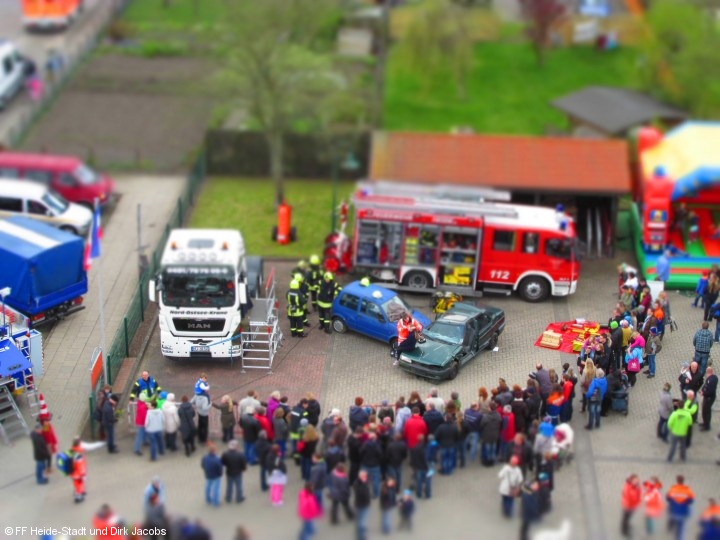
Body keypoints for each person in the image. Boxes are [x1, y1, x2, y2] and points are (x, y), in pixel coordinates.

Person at [68, 437, 105, 503]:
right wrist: (83, 474)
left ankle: (80, 493)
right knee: (79, 485)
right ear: (79, 444)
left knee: (77, 484)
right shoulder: (79, 455)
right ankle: (78, 497)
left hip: (73, 473)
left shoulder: (72, 451)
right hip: (78, 473)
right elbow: (80, 466)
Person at [666, 475, 695, 540]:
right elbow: (691, 500)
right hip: (683, 511)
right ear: (683, 481)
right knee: (681, 527)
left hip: (674, 510)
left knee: (672, 518)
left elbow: (668, 498)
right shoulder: (688, 489)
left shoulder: (673, 489)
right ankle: (679, 538)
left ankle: (670, 527)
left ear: (677, 480)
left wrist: (675, 502)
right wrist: (684, 502)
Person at [221, 439, 247, 504]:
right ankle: (239, 498)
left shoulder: (225, 454)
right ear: (236, 446)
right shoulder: (240, 454)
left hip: (229, 472)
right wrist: (244, 469)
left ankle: (228, 498)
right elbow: (243, 464)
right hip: (238, 472)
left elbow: (223, 463)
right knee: (239, 486)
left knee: (229, 486)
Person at [409, 435, 430, 499]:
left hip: (418, 467)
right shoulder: (425, 448)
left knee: (419, 481)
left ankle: (419, 494)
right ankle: (427, 494)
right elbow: (426, 459)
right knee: (427, 482)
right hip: (425, 467)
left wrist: (413, 465)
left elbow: (412, 458)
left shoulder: (415, 448)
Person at [354, 470, 372, 540]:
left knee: (360, 520)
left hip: (361, 504)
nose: (365, 477)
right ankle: (362, 536)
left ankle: (359, 535)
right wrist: (364, 483)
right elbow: (362, 493)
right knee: (362, 522)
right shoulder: (359, 484)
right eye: (363, 476)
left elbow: (369, 478)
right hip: (362, 504)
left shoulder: (363, 482)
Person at [700, 366, 717, 431]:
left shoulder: (712, 380)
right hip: (707, 397)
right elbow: (705, 385)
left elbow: (710, 391)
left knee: (706, 412)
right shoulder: (711, 377)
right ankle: (705, 423)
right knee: (705, 411)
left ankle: (706, 426)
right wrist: (703, 390)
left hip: (709, 398)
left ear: (708, 372)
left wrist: (703, 393)